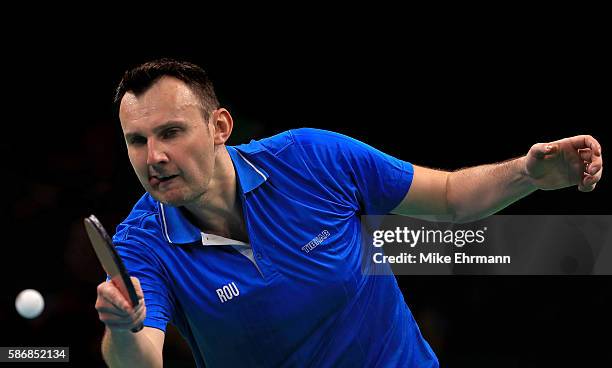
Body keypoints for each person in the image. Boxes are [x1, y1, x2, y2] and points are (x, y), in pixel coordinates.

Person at [94, 58, 603, 368]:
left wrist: (529, 175)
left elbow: (448, 197)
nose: (153, 156)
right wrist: (123, 326)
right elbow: (142, 357)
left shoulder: (314, 159)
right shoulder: (141, 242)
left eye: (171, 132)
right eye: (136, 141)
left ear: (219, 127)